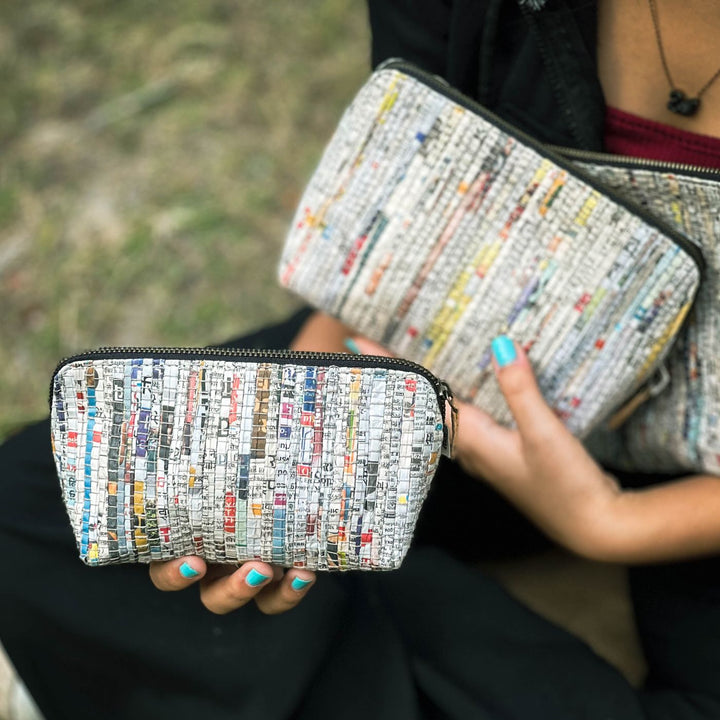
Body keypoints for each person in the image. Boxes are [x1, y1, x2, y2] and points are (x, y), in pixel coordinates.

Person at [1, 1, 720, 718]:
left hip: (696, 488)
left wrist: (613, 521)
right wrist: (307, 413)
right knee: (31, 507)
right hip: (466, 364)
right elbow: (417, 186)